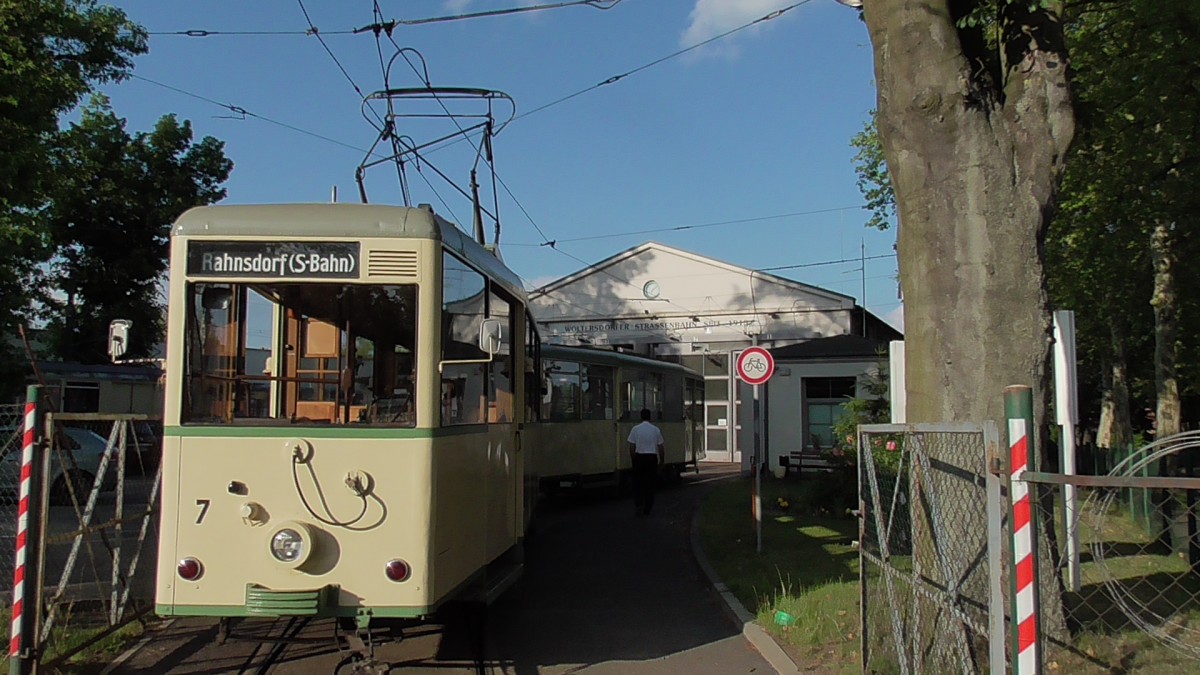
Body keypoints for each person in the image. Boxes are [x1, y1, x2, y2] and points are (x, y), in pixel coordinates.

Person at [627, 408, 665, 516]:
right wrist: (661, 461)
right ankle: (648, 507)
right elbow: (661, 448)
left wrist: (634, 458)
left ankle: (639, 504)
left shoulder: (635, 429)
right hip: (651, 458)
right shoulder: (655, 430)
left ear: (641, 417)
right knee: (650, 483)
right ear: (650, 417)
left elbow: (631, 447)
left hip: (639, 458)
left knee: (638, 483)